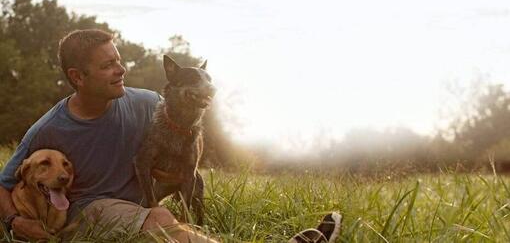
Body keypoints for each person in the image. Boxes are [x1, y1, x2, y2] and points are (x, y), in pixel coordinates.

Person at [0, 29, 341, 242]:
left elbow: (188, 132)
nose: (121, 69)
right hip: (91, 209)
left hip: (140, 202)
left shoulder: (148, 103)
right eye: (107, 65)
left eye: (118, 60)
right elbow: (3, 182)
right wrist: (15, 220)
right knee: (160, 219)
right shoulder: (50, 127)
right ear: (77, 76)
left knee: (165, 224)